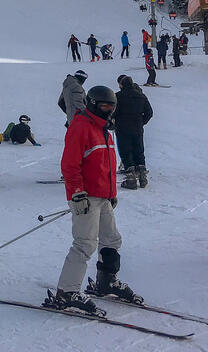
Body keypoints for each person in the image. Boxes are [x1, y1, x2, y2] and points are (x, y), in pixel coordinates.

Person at [43, 86, 137, 314]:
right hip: (85, 196)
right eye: (105, 106)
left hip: (103, 195)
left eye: (112, 106)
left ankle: (107, 280)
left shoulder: (104, 129)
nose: (109, 110)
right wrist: (76, 192)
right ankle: (67, 291)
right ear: (94, 104)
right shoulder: (81, 127)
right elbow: (70, 164)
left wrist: (112, 192)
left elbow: (105, 164)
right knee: (85, 243)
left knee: (111, 240)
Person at [114, 75, 153, 190]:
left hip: (122, 128)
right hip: (137, 128)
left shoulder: (118, 96)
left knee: (126, 151)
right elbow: (149, 112)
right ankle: (142, 177)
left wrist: (113, 122)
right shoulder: (141, 96)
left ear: (122, 85)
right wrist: (142, 122)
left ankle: (130, 178)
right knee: (139, 150)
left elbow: (113, 112)